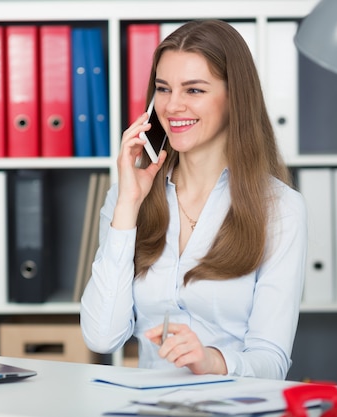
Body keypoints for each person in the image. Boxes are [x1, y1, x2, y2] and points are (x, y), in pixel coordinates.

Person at [80, 19, 307, 380]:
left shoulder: (280, 208)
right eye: (164, 89)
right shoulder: (127, 197)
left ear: (235, 97)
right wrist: (127, 207)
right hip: (151, 405)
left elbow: (271, 359)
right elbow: (102, 336)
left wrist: (211, 361)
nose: (172, 106)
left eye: (194, 90)